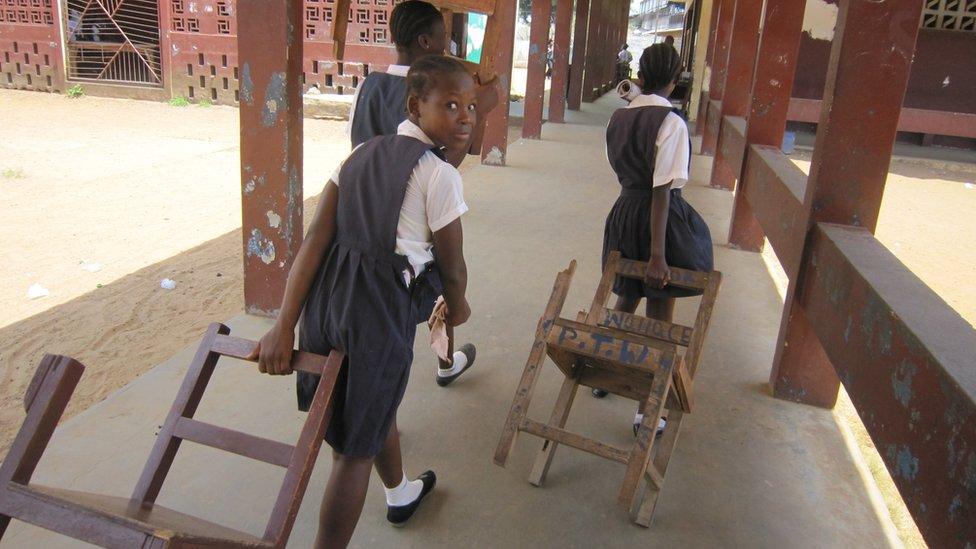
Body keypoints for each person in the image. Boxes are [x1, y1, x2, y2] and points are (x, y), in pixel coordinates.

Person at [251, 56, 477, 548]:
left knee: (369, 408)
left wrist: (285, 324)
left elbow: (315, 241)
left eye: (472, 107)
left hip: (327, 306)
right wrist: (456, 305)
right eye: (452, 105)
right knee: (351, 453)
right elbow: (453, 265)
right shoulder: (439, 176)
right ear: (415, 106)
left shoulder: (358, 154)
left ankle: (399, 493)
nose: (465, 117)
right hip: (377, 315)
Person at [347, 0, 490, 386]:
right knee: (443, 272)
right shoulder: (433, 96)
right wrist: (482, 113)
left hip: (367, 203)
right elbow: (445, 162)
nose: (449, 45)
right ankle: (445, 361)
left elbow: (355, 147)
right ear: (426, 42)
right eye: (444, 38)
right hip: (414, 208)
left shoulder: (368, 86)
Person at [594, 44, 714, 436]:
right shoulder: (672, 123)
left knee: (626, 297)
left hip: (624, 214)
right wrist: (659, 256)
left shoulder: (618, 117)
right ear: (677, 78)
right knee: (660, 314)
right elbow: (662, 190)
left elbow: (625, 171)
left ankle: (602, 369)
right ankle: (650, 407)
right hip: (656, 222)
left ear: (640, 76)